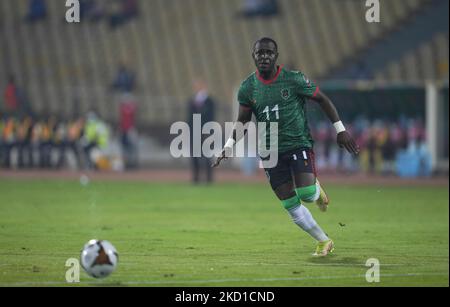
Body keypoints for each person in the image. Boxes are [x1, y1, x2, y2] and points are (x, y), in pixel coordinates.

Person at [213, 38, 359, 257]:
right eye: (259, 53)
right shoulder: (247, 87)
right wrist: (228, 145)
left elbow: (323, 99)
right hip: (269, 151)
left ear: (276, 56)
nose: (264, 56)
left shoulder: (294, 79)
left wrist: (340, 129)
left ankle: (317, 190)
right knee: (290, 203)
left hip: (297, 143)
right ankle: (323, 240)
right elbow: (242, 120)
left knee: (307, 194)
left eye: (268, 53)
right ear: (253, 56)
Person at [187, 80, 216, 184]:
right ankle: (196, 178)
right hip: (194, 132)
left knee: (207, 155)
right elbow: (189, 118)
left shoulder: (210, 101)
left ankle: (209, 178)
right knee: (195, 156)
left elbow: (211, 117)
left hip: (206, 132)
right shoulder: (191, 100)